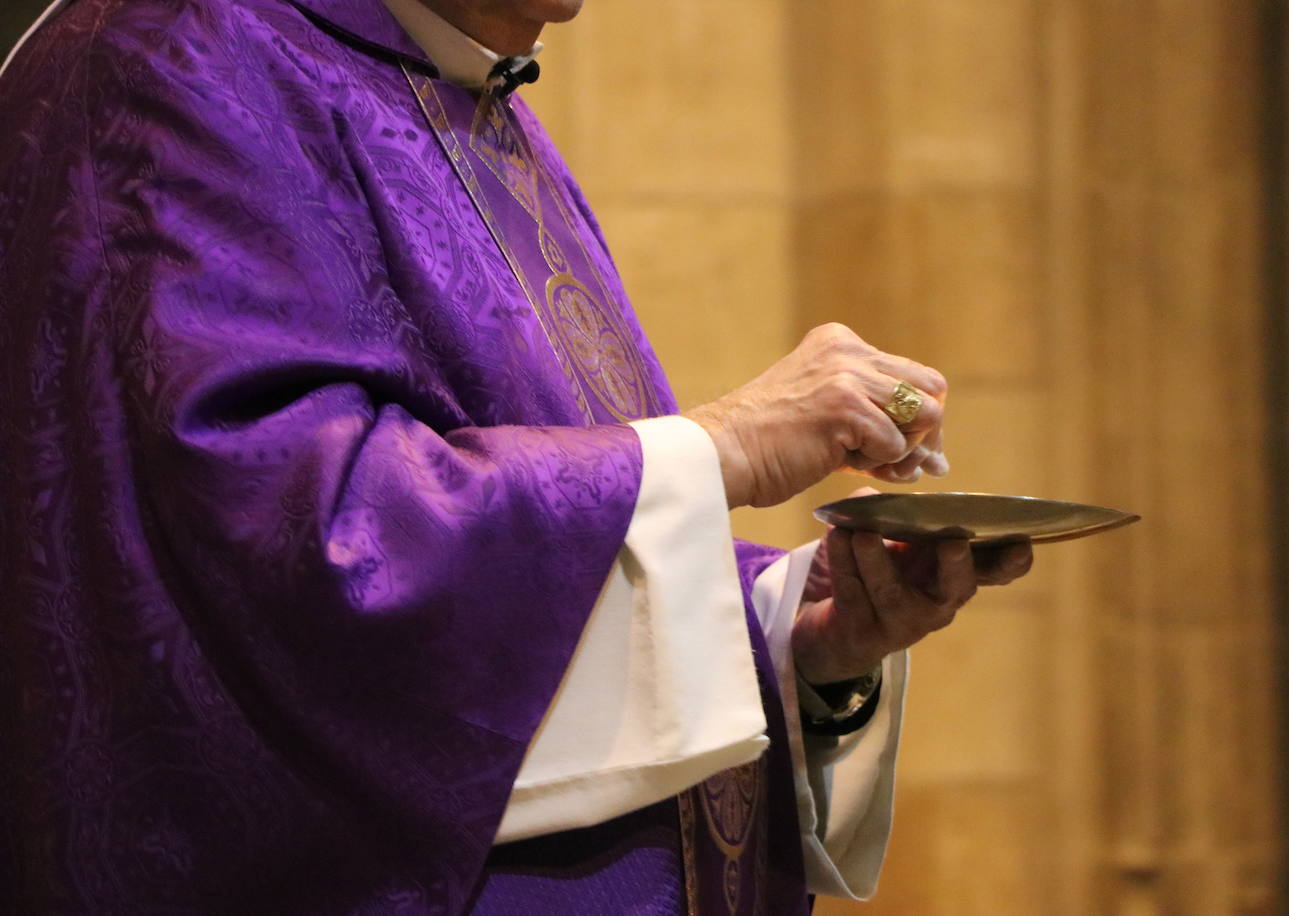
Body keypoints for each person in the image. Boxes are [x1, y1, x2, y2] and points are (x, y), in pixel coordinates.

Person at [0, 0, 1034, 911]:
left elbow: (529, 548)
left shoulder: (469, 95)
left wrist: (796, 636)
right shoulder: (182, 58)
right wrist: (725, 444)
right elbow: (304, 544)